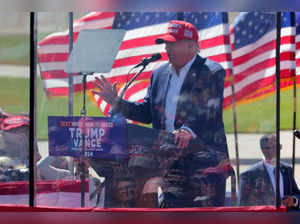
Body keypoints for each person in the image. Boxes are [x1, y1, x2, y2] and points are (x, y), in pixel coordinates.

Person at [92, 20, 229, 207]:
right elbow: (147, 113)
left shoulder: (211, 72)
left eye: (172, 43)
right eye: (166, 44)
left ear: (191, 46)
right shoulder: (159, 74)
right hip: (169, 163)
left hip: (205, 163)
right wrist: (117, 102)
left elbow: (206, 109)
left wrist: (187, 130)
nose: (167, 48)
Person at [239, 134, 300, 210]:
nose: (272, 151)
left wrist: (294, 200)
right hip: (264, 219)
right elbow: (242, 206)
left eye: (275, 147)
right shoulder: (249, 175)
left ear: (280, 147)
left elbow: (296, 193)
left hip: (286, 218)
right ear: (262, 149)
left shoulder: (287, 170)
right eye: (268, 148)